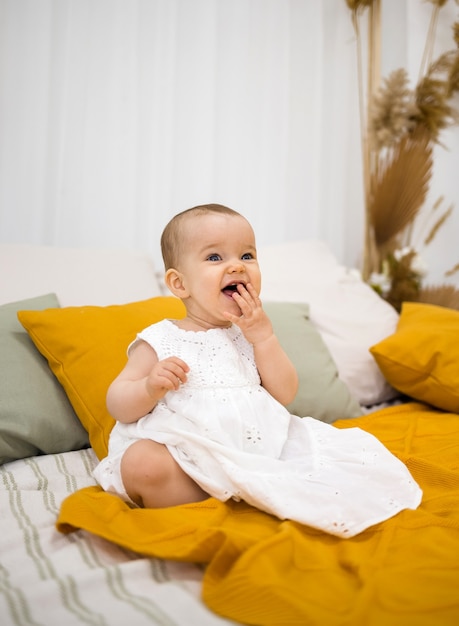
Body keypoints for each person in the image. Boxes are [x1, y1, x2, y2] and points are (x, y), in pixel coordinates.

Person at [93, 203, 422, 538]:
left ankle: (252, 496)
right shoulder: (162, 338)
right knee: (143, 465)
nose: (237, 265)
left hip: (259, 454)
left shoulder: (251, 335)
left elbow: (285, 393)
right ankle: (211, 502)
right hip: (188, 457)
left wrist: (264, 338)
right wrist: (149, 387)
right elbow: (117, 403)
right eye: (215, 257)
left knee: (345, 461)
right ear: (179, 284)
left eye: (247, 256)